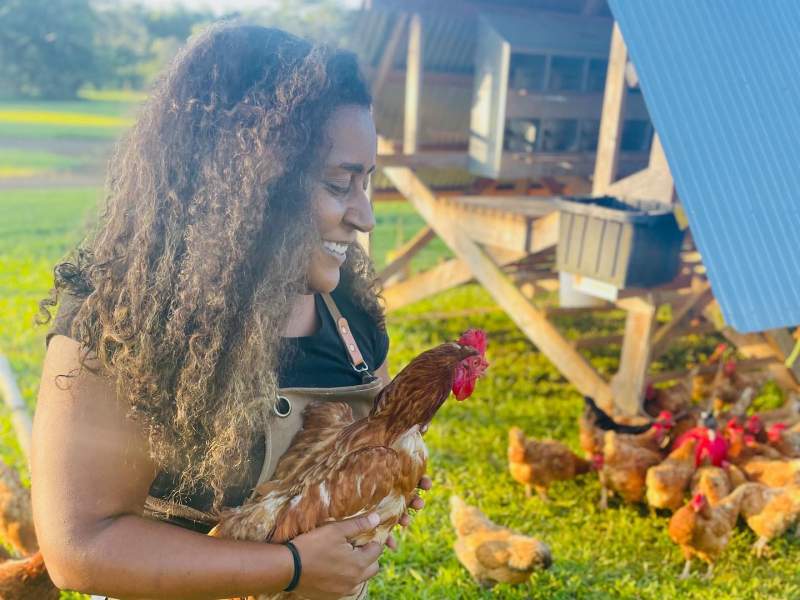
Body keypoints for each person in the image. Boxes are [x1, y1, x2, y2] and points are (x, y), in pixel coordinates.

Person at [31, 22, 430, 600]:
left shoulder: (350, 314)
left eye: (368, 182)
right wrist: (293, 566)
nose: (364, 216)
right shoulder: (123, 322)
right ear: (256, 181)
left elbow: (372, 438)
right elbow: (81, 548)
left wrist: (374, 488)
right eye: (340, 184)